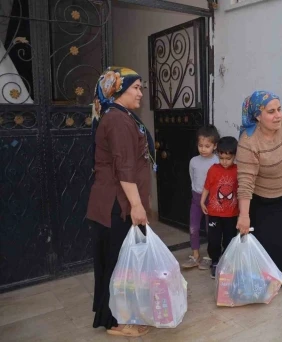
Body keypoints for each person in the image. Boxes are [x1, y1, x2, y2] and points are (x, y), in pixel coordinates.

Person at [87, 66, 155, 337]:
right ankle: (114, 321)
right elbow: (124, 168)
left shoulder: (122, 116)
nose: (141, 93)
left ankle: (116, 314)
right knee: (115, 263)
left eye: (141, 87)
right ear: (118, 89)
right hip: (115, 204)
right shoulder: (116, 119)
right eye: (136, 87)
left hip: (117, 201)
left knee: (115, 261)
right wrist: (137, 206)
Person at [236, 90, 282, 296]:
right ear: (258, 116)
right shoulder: (248, 142)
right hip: (259, 199)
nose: (278, 115)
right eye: (271, 111)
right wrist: (244, 215)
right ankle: (263, 281)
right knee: (262, 242)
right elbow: (245, 182)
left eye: (279, 109)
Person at [181, 125, 220, 269]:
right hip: (196, 199)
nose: (203, 149)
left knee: (211, 229)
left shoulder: (217, 162)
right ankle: (195, 255)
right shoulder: (193, 161)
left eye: (207, 146)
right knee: (193, 227)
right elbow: (193, 178)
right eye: (200, 145)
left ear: (215, 146)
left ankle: (210, 256)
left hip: (212, 200)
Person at [200, 136, 239, 278]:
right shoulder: (213, 170)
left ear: (234, 156)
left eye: (228, 158)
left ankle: (226, 262)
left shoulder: (238, 171)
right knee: (214, 239)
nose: (224, 162)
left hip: (232, 214)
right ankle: (215, 261)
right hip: (214, 213)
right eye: (221, 158)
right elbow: (207, 186)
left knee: (229, 239)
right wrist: (202, 201)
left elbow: (242, 191)